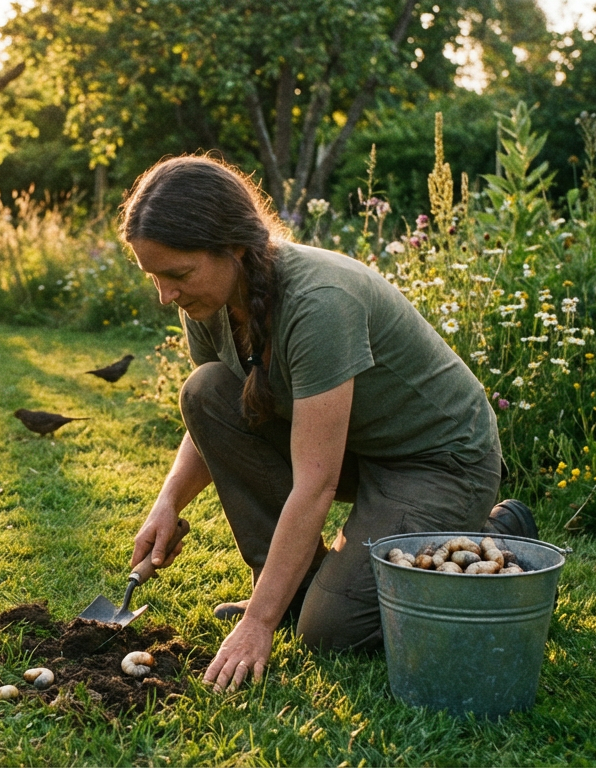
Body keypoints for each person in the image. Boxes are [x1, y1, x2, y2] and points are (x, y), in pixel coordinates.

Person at [120, 156, 536, 692]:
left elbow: (315, 483)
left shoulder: (320, 302)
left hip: (437, 462)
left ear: (235, 249)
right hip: (359, 450)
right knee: (204, 390)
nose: (165, 295)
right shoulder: (209, 301)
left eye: (177, 275)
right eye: (154, 276)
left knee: (332, 631)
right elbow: (217, 413)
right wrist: (168, 501)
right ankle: (296, 586)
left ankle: (493, 532)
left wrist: (258, 623)